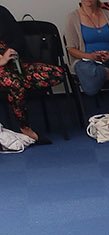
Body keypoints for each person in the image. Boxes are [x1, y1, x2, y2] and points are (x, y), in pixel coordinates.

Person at [0, 4, 59, 144]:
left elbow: (18, 38)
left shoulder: (2, 12)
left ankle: (21, 85)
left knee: (56, 73)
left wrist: (10, 51)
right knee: (15, 84)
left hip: (16, 64)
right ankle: (25, 128)